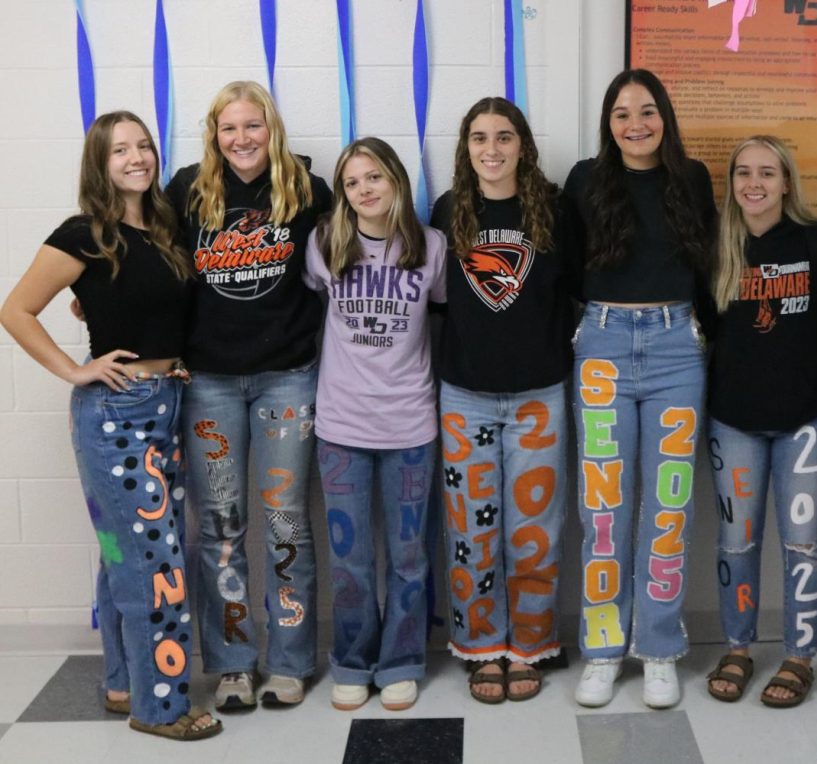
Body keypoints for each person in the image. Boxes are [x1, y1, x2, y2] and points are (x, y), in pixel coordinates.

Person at [0, 111, 221, 740]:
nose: (135, 157)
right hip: (116, 412)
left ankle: (124, 683)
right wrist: (74, 371)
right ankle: (161, 708)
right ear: (99, 163)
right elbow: (15, 310)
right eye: (119, 149)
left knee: (127, 553)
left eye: (143, 145)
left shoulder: (164, 229)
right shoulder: (83, 233)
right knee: (156, 561)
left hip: (166, 403)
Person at [165, 80, 332, 709]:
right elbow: (150, 258)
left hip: (288, 375)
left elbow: (352, 254)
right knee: (221, 525)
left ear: (273, 129)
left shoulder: (306, 190)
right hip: (208, 381)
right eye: (229, 128)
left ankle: (290, 661)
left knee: (286, 520)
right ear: (214, 133)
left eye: (253, 126)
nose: (242, 139)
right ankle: (234, 663)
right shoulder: (187, 189)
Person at [564, 68, 717, 709]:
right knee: (603, 508)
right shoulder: (584, 179)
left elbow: (708, 263)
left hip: (676, 346)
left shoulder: (693, 179)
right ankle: (603, 647)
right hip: (601, 343)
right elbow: (570, 265)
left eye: (648, 111)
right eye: (622, 113)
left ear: (666, 117)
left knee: (667, 505)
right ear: (608, 122)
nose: (635, 124)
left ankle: (657, 647)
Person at [431, 97, 581, 703]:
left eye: (504, 137)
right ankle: (481, 646)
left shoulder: (554, 209)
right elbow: (437, 305)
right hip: (464, 395)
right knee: (471, 529)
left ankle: (532, 644)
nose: (491, 149)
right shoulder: (448, 211)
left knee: (534, 531)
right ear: (465, 147)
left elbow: (575, 292)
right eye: (478, 138)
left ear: (524, 144)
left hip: (539, 394)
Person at [304, 137, 446, 711]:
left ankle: (403, 660)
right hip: (341, 425)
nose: (365, 190)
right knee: (351, 558)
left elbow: (443, 316)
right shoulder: (324, 245)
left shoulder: (432, 248)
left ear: (397, 181)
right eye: (352, 182)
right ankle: (352, 660)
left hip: (410, 424)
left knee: (408, 555)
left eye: (375, 178)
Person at [702, 136, 817, 708]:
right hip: (733, 419)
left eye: (767, 172)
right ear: (731, 182)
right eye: (743, 173)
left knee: (803, 543)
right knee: (737, 542)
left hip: (807, 418)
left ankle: (799, 655)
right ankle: (738, 647)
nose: (753, 183)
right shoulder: (717, 243)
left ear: (787, 181)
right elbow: (701, 327)